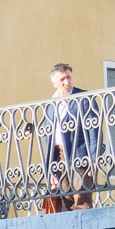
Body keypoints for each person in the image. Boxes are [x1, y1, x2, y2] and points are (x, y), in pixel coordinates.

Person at [42, 63, 100, 211]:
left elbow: (94, 130)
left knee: (82, 201)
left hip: (79, 154)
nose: (66, 82)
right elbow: (48, 138)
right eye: (62, 79)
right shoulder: (49, 104)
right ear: (53, 83)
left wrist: (93, 159)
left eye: (68, 78)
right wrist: (49, 169)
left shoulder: (83, 98)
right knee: (66, 200)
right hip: (58, 156)